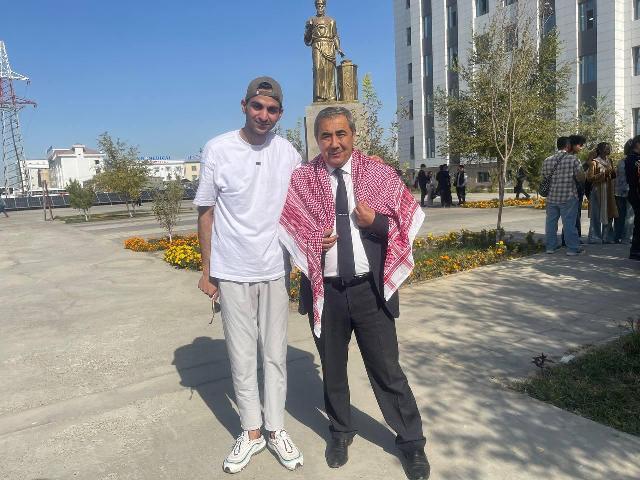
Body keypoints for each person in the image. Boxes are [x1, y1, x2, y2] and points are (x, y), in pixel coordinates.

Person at [278, 106, 430, 480]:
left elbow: (405, 220)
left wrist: (374, 221)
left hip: (369, 291)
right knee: (332, 370)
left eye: (341, 134)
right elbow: (290, 226)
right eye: (326, 135)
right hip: (326, 293)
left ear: (353, 135)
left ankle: (411, 442)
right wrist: (312, 239)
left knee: (387, 370)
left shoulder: (378, 174)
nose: (334, 143)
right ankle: (341, 432)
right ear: (317, 140)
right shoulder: (302, 180)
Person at [193, 77, 304, 474]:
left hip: (274, 268)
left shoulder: (288, 152)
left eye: (272, 110)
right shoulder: (218, 148)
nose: (263, 115)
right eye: (257, 106)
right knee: (241, 357)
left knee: (275, 355)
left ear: (280, 114)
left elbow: (304, 205)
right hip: (232, 270)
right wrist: (207, 270)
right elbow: (206, 211)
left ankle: (276, 429)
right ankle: (252, 432)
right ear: (244, 105)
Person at [543, 135, 586, 255]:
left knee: (551, 224)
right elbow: (581, 177)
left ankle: (550, 247)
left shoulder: (547, 160)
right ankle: (572, 248)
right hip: (568, 197)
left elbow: (544, 177)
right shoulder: (573, 159)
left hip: (552, 197)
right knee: (569, 224)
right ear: (568, 146)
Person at [304, 0, 344, 102]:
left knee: (330, 70)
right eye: (318, 5)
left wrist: (338, 48)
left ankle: (331, 96)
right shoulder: (311, 20)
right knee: (318, 69)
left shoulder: (331, 20)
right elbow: (307, 39)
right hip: (317, 45)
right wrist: (309, 28)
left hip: (329, 46)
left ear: (325, 6)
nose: (320, 7)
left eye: (322, 5)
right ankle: (319, 96)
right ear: (315, 6)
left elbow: (335, 36)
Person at [586, 142, 618, 244]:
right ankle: (595, 237)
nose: (608, 150)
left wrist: (613, 173)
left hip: (608, 190)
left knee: (609, 213)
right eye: (606, 148)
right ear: (600, 150)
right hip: (597, 190)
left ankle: (607, 237)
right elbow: (590, 178)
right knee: (596, 214)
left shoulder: (610, 161)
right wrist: (603, 174)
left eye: (609, 148)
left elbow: (612, 175)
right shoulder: (594, 162)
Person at [613, 140, 635, 244]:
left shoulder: (621, 161)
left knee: (620, 216)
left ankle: (617, 236)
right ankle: (627, 237)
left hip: (619, 191)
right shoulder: (635, 161)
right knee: (630, 215)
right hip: (630, 191)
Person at [624, 135, 640, 260]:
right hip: (636, 193)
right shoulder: (633, 159)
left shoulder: (632, 158)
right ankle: (635, 250)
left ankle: (635, 250)